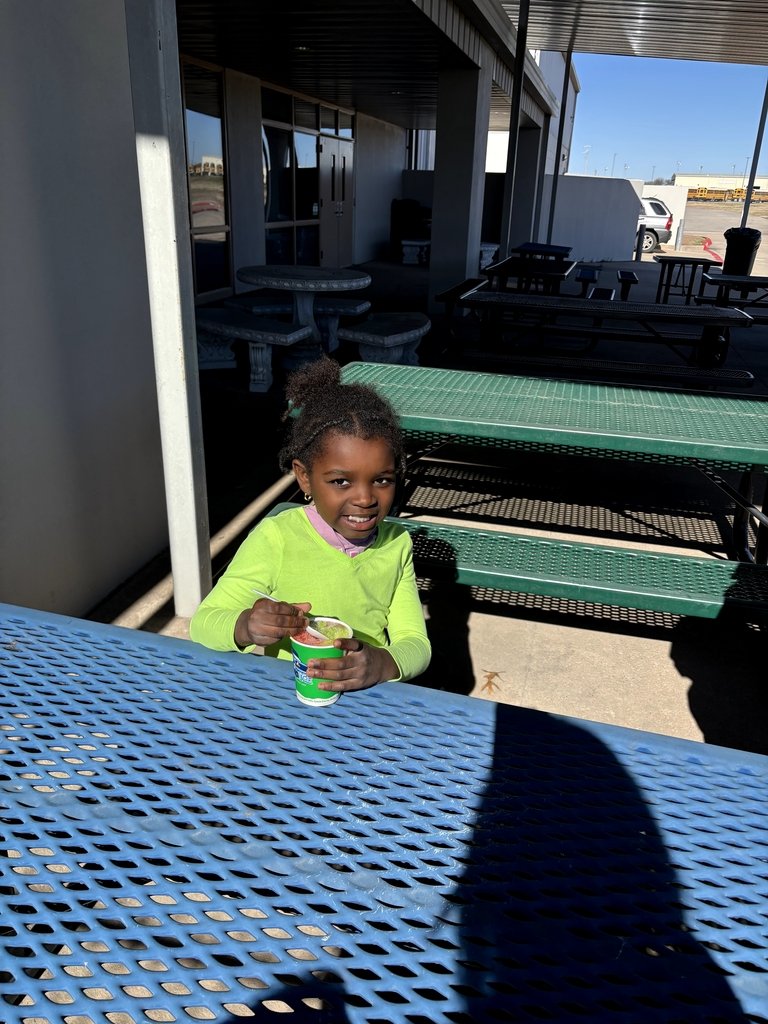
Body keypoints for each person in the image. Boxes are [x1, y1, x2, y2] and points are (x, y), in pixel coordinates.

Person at [189, 357, 431, 693]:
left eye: (382, 480)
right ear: (305, 477)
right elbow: (204, 623)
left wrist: (380, 663)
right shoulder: (278, 538)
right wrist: (247, 625)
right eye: (341, 482)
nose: (365, 498)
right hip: (286, 700)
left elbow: (416, 645)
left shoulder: (396, 543)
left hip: (366, 698)